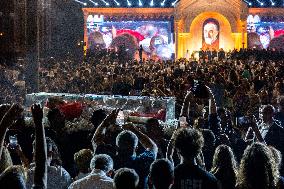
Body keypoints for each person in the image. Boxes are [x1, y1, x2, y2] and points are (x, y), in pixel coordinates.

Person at [92, 110, 158, 189]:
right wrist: (135, 130)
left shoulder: (108, 163)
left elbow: (96, 141)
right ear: (136, 148)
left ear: (116, 147)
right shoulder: (142, 162)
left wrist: (105, 122)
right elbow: (153, 147)